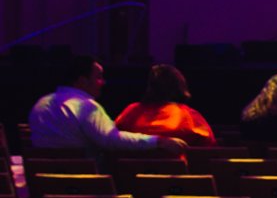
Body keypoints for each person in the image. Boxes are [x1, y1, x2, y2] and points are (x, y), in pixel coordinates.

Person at [29, 55, 186, 155]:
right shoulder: (85, 107)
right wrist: (158, 141)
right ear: (82, 81)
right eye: (99, 77)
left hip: (46, 182)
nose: (103, 83)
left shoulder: (40, 104)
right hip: (83, 183)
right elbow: (112, 140)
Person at [114, 63, 217, 146]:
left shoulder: (132, 111)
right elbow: (208, 146)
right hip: (176, 171)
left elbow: (112, 138)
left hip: (132, 170)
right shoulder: (186, 114)